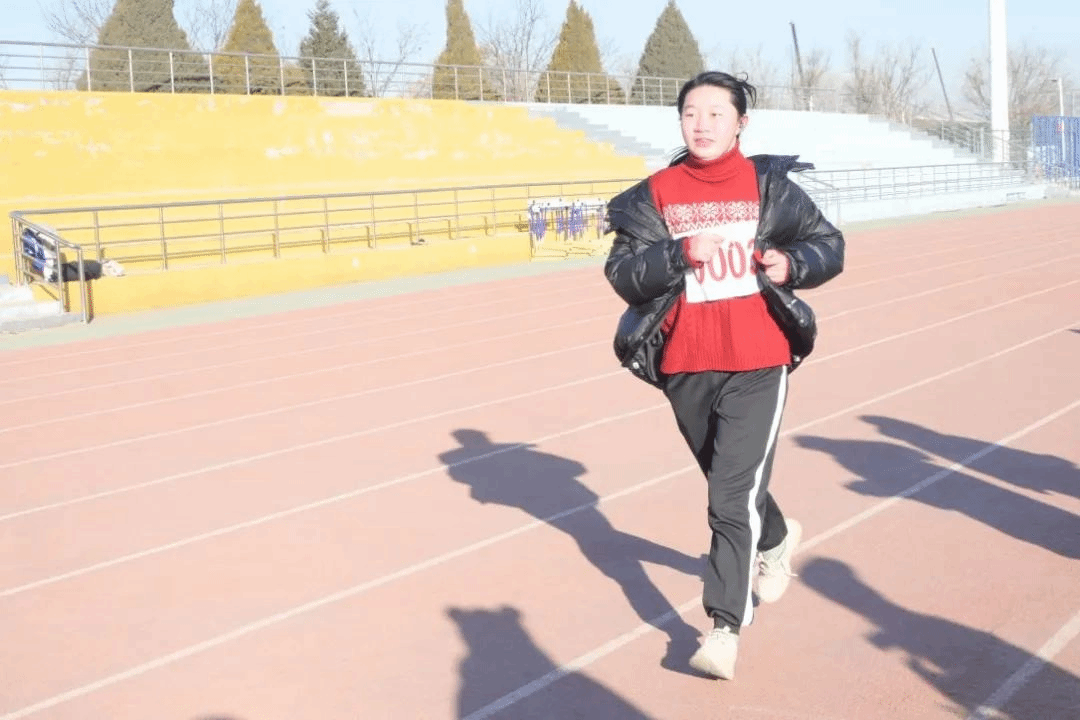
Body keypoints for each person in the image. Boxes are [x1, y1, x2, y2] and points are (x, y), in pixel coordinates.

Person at [603, 71, 845, 680]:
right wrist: (679, 253)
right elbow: (623, 276)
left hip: (760, 356)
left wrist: (792, 263)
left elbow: (828, 244)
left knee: (728, 498)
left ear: (741, 123)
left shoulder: (769, 187)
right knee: (729, 479)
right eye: (691, 113)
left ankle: (724, 628)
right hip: (685, 362)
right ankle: (776, 538)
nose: (702, 124)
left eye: (716, 113)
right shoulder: (653, 195)